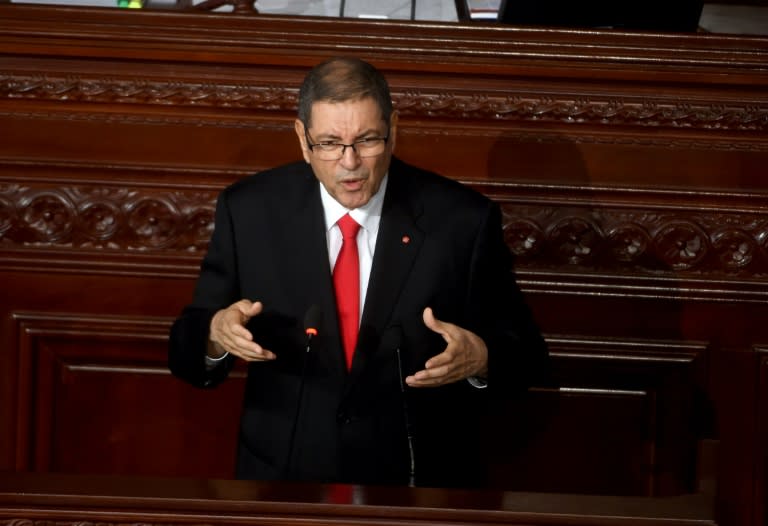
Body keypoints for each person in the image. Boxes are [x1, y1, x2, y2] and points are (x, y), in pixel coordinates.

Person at [168, 56, 549, 489]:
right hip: (284, 483)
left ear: (394, 131)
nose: (350, 163)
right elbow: (186, 345)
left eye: (366, 140)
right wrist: (216, 335)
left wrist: (481, 358)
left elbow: (526, 355)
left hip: (416, 486)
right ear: (302, 138)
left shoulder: (461, 220)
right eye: (329, 143)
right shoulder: (249, 211)